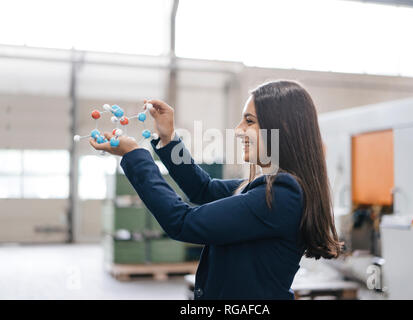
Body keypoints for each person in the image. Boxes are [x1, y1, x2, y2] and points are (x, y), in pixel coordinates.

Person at [90, 80, 342, 300]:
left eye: (249, 121)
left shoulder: (282, 195)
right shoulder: (264, 189)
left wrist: (135, 156)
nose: (238, 130)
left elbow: (182, 222)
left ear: (282, 129)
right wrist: (168, 140)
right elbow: (204, 189)